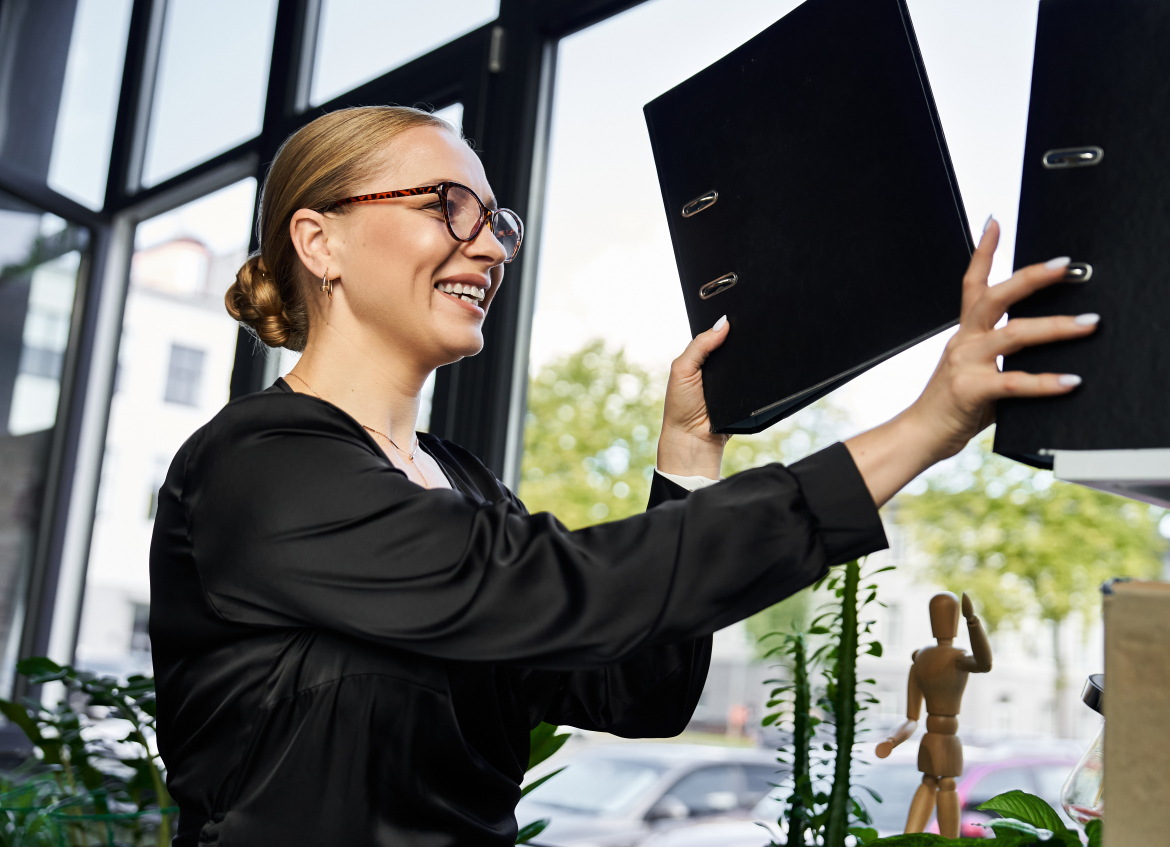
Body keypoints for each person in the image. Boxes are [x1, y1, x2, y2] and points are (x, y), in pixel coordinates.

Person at [149, 105, 1098, 846]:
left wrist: (687, 454)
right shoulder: (256, 470)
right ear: (321, 242)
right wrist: (924, 427)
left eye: (498, 222)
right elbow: (573, 583)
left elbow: (634, 688)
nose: (488, 246)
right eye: (448, 205)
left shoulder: (463, 483)